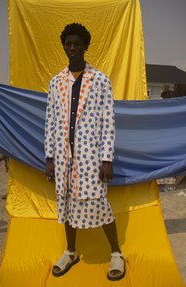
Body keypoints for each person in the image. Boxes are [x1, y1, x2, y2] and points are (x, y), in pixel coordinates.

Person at [45, 23, 125, 281]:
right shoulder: (56, 82)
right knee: (66, 202)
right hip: (62, 155)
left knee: (99, 203)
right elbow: (50, 120)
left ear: (85, 46)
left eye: (77, 43)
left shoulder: (100, 80)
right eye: (68, 43)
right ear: (64, 46)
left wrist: (106, 159)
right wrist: (49, 157)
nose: (72, 47)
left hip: (90, 156)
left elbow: (108, 121)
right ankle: (71, 252)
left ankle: (116, 254)